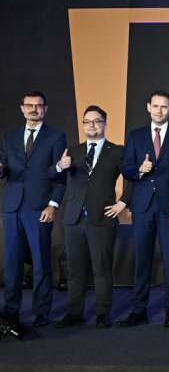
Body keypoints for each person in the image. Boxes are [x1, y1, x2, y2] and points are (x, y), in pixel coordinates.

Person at [117, 91, 169, 328]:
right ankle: (139, 310)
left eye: (164, 107)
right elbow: (126, 168)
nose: (159, 110)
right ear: (148, 107)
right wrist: (140, 169)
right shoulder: (136, 135)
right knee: (142, 259)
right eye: (156, 106)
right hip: (142, 206)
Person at [53, 105, 125, 328]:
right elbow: (53, 176)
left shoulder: (117, 151)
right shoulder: (72, 151)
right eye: (87, 121)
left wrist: (123, 203)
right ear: (83, 125)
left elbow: (133, 177)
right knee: (74, 271)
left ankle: (102, 314)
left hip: (102, 219)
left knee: (102, 270)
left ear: (105, 124)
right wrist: (59, 166)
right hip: (74, 219)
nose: (91, 125)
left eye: (96, 121)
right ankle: (74, 313)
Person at [0, 91, 66, 328]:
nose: (34, 109)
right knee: (12, 261)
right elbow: (4, 169)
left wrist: (53, 205)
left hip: (40, 207)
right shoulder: (9, 138)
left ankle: (41, 311)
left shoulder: (56, 136)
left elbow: (60, 176)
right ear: (22, 108)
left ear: (45, 109)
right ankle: (10, 310)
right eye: (29, 105)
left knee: (40, 261)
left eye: (39, 105)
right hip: (12, 206)